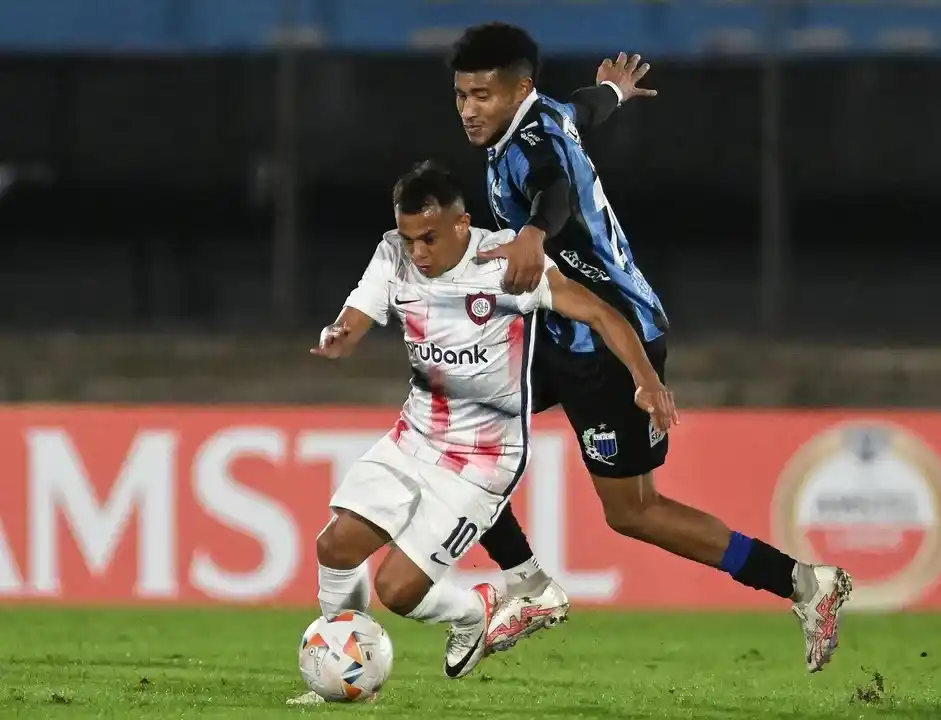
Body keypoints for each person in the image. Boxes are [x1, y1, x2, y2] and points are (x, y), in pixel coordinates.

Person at [449, 22, 853, 673]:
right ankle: (527, 585)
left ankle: (804, 583)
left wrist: (533, 232)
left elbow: (553, 189)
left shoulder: (532, 145)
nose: (469, 109)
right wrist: (612, 91)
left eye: (482, 96)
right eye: (462, 95)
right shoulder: (544, 114)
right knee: (456, 429)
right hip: (560, 330)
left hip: (610, 337)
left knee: (634, 512)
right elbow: (581, 108)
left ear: (518, 90)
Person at [287, 160, 675, 704]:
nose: (417, 251)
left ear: (462, 223)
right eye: (409, 238)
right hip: (414, 436)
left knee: (396, 590)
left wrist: (646, 380)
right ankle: (340, 673)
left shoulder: (506, 263)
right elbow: (356, 314)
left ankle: (475, 613)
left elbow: (601, 314)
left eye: (428, 238)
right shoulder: (393, 254)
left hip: (484, 459)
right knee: (334, 546)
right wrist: (338, 334)